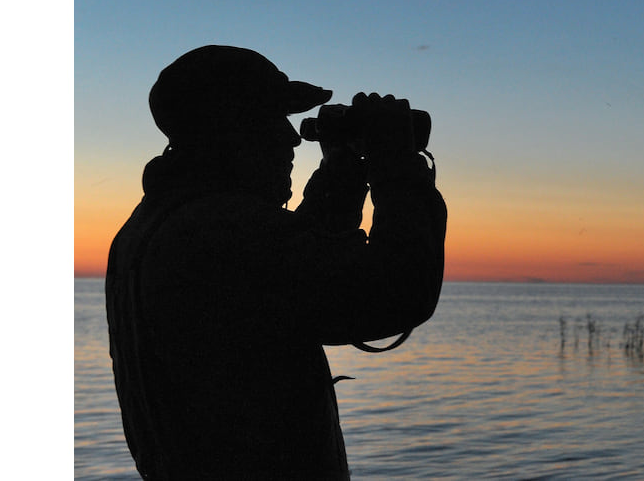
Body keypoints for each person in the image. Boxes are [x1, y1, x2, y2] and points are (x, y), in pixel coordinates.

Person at [105, 45, 446, 480]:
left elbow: (291, 276)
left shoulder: (159, 225)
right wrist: (397, 167)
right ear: (230, 128)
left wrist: (340, 174)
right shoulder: (223, 231)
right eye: (273, 119)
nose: (291, 138)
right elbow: (396, 291)